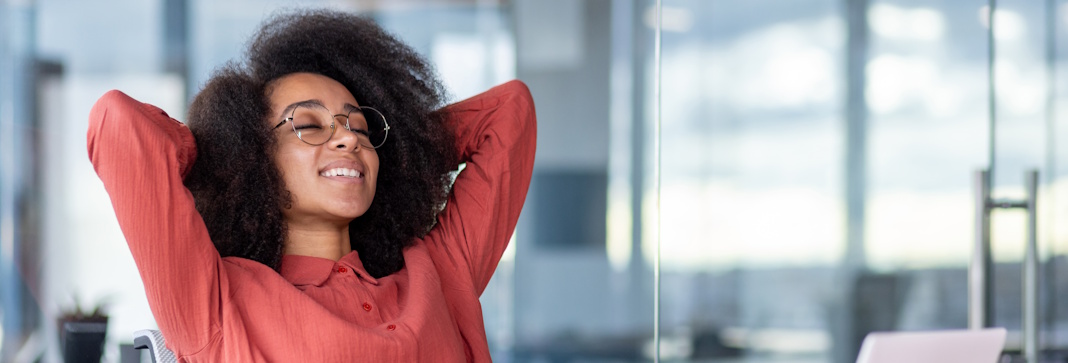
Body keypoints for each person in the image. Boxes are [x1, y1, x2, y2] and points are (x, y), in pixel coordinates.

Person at [87, 9, 535, 362]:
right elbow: (119, 125)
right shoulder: (216, 300)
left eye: (359, 127)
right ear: (255, 157)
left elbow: (509, 112)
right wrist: (223, 152)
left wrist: (404, 154)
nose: (347, 137)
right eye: (307, 123)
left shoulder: (434, 271)